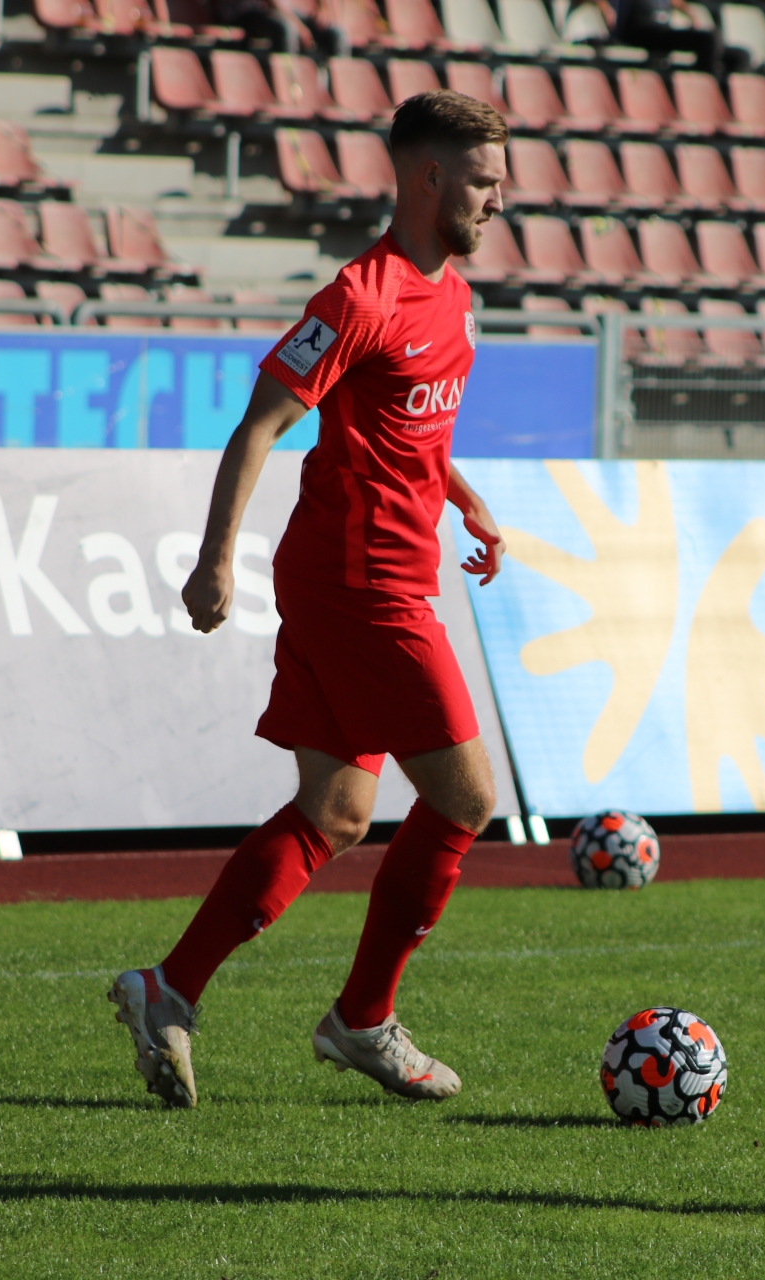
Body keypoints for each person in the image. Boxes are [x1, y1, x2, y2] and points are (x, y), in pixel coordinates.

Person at [108, 90, 511, 1109]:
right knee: (467, 799)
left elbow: (412, 433)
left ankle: (167, 988)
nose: (497, 200)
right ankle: (363, 1018)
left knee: (336, 809)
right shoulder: (359, 298)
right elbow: (259, 426)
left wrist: (462, 497)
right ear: (427, 178)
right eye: (481, 181)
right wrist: (215, 559)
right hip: (359, 580)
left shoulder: (454, 295)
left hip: (386, 569)